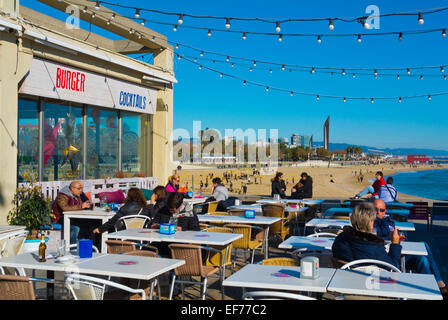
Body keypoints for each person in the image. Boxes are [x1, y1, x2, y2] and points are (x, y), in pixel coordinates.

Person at [373, 200, 448, 297]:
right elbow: (381, 233)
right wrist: (383, 223)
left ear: (385, 211)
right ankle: (437, 286)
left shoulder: (388, 220)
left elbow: (395, 233)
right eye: (376, 209)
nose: (379, 212)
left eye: (382, 210)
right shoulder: (371, 221)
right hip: (389, 257)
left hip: (398, 251)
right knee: (424, 249)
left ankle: (430, 289)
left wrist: (400, 235)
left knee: (423, 259)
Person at [332, 202, 402, 269]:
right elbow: (393, 267)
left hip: (343, 278)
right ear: (371, 221)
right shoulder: (374, 247)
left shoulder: (340, 238)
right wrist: (395, 244)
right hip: (369, 280)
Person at [52, 181, 90, 245]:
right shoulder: (62, 196)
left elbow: (86, 201)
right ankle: (72, 248)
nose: (81, 191)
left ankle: (86, 246)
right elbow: (64, 208)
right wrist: (81, 206)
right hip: (60, 219)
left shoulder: (77, 194)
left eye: (82, 189)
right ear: (72, 189)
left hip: (73, 218)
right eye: (79, 189)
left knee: (90, 224)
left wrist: (88, 205)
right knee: (75, 228)